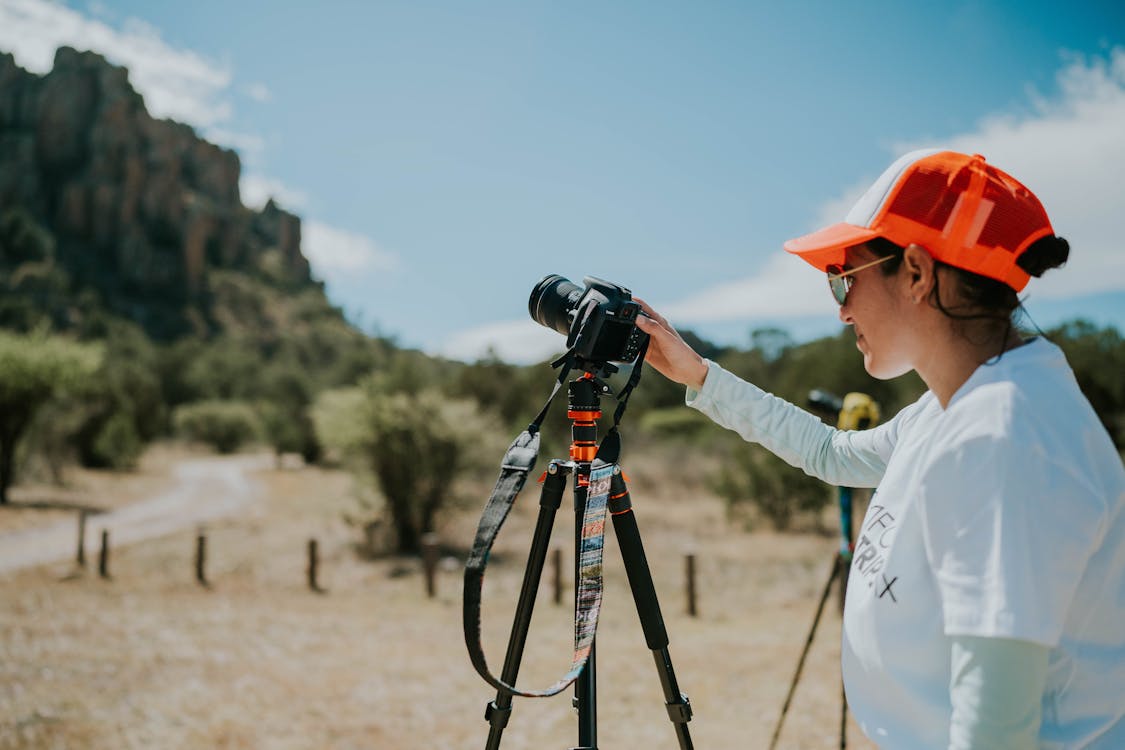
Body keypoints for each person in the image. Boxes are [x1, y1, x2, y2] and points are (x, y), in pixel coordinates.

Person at [633, 149, 1125, 750]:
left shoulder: (1006, 439)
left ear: (916, 272)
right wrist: (701, 376)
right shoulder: (960, 404)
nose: (841, 310)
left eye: (845, 277)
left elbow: (995, 730)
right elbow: (833, 451)